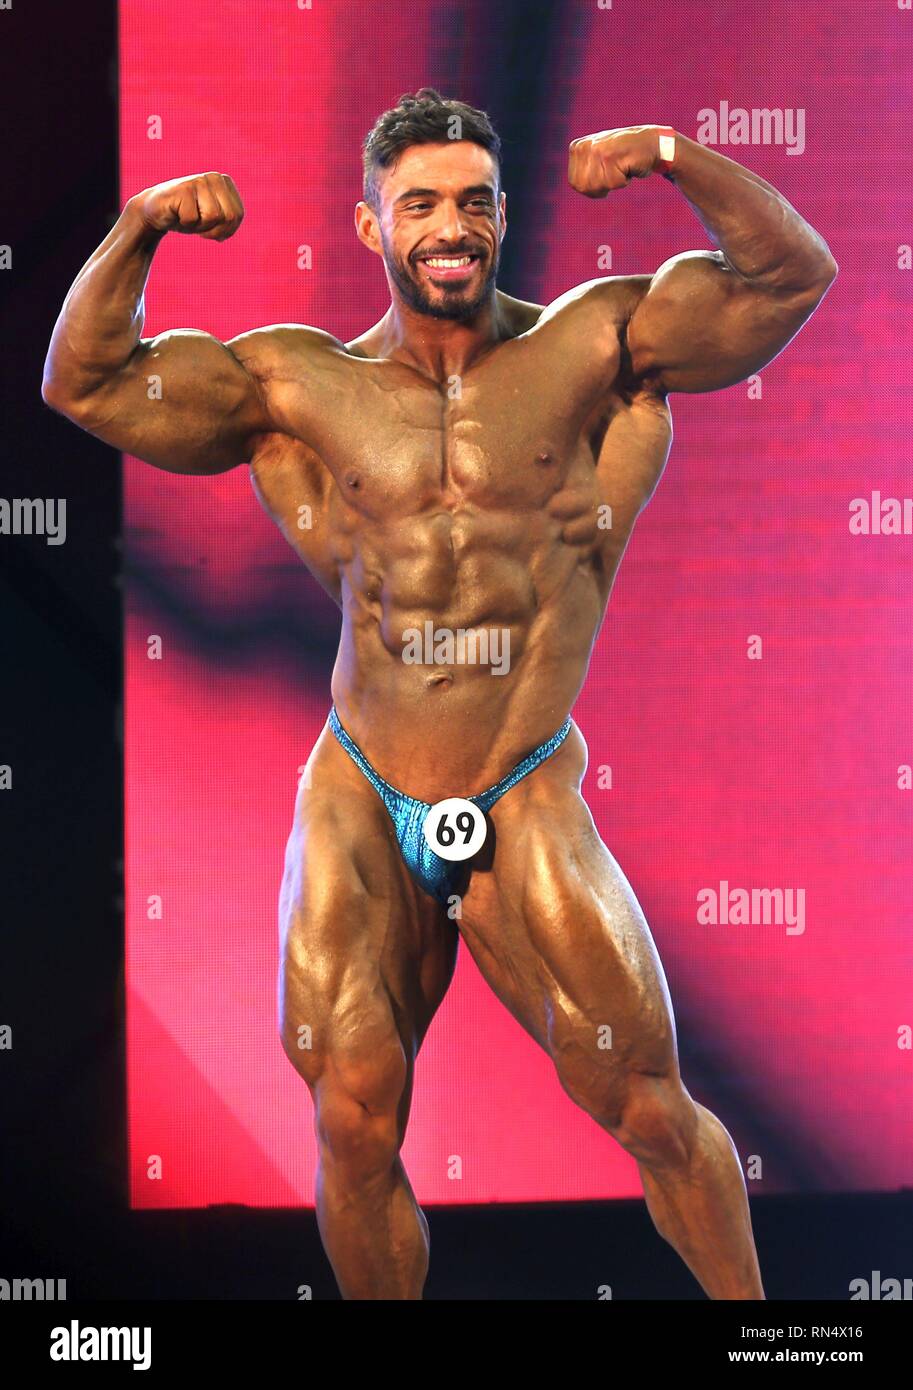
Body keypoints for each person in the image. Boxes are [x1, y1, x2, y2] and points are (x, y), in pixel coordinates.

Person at [42, 88, 837, 1300]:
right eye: (418, 205)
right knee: (354, 1115)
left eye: (471, 201)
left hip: (521, 784)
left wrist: (676, 156)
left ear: (504, 215)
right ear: (372, 227)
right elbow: (85, 383)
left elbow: (788, 278)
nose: (447, 226)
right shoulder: (296, 385)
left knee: (647, 1103)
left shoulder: (601, 346)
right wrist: (141, 223)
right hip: (362, 787)